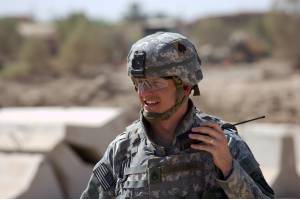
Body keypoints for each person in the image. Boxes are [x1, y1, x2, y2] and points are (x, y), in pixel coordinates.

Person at [81, 32, 274, 198]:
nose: (144, 93)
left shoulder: (223, 144)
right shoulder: (122, 150)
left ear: (186, 85)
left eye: (155, 83)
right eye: (139, 83)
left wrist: (228, 168)